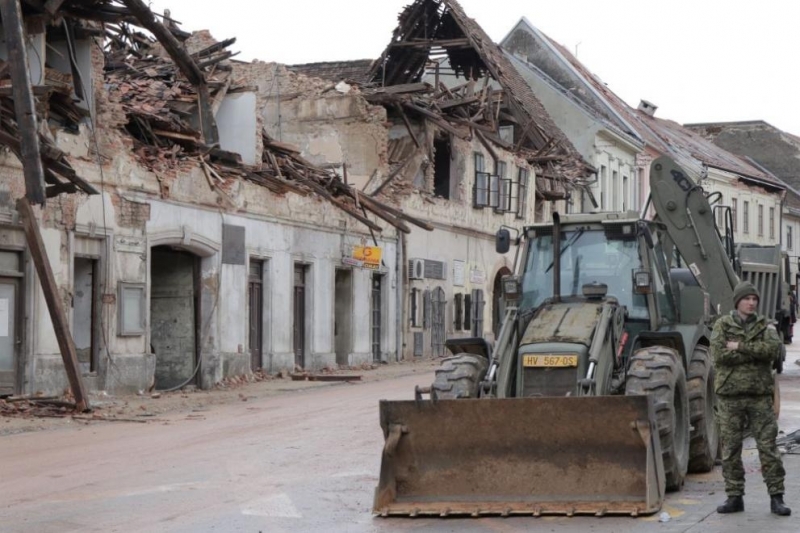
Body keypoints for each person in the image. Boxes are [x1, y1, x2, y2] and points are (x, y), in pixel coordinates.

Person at [710, 280, 791, 516]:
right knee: (731, 450)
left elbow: (772, 352)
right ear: (738, 301)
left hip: (759, 397)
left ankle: (777, 498)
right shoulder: (722, 325)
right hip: (730, 397)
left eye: (754, 299)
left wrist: (740, 347)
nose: (751, 303)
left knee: (768, 448)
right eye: (747, 299)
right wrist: (752, 353)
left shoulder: (766, 327)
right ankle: (734, 497)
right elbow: (719, 355)